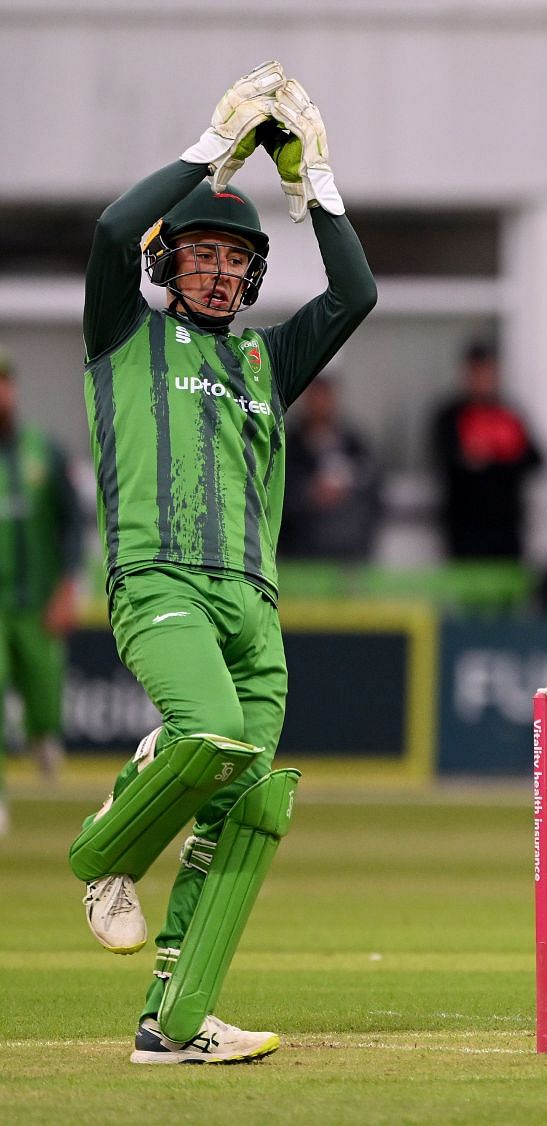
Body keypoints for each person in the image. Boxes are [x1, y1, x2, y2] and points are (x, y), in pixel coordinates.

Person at [67, 62, 375, 1064]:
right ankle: (101, 855)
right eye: (197, 254)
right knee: (206, 734)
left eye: (233, 260)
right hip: (160, 581)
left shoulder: (262, 363)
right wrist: (216, 146)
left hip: (254, 604)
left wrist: (314, 183)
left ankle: (177, 1021)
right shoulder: (123, 333)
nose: (215, 272)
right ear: (169, 267)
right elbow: (116, 232)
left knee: (252, 804)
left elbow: (358, 291)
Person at [0, 351, 85, 836]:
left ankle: (43, 735)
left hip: (35, 602)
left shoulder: (42, 451)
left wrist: (68, 586)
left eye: (4, 384)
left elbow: (71, 526)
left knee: (45, 693)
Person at [431, 340, 545, 560]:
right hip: (465, 527)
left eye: (488, 372)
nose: (483, 379)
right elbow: (444, 458)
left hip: (505, 527)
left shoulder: (509, 415)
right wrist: (468, 460)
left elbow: (537, 460)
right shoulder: (450, 416)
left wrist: (497, 456)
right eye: (477, 372)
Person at [281, 374, 382, 560]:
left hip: (348, 553)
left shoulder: (353, 443)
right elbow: (275, 492)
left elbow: (373, 486)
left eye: (325, 397)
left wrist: (346, 489)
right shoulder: (287, 443)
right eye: (314, 397)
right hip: (299, 552)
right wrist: (310, 493)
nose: (319, 404)